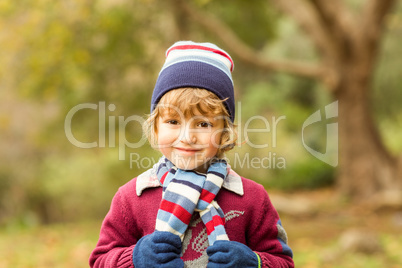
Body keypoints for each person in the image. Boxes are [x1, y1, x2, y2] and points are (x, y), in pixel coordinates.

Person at [89, 41, 294, 268]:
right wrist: (135, 259)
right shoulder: (132, 198)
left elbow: (283, 261)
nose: (187, 136)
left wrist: (253, 262)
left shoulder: (252, 199)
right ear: (156, 127)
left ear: (224, 132)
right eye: (173, 121)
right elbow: (100, 260)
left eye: (203, 124)